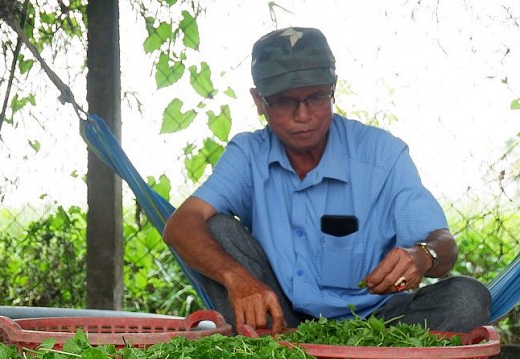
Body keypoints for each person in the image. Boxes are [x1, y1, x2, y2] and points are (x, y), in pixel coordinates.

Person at [163, 26, 491, 334]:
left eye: (317, 97)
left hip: (379, 326)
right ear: (259, 101)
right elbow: (181, 225)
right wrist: (237, 278)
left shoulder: (381, 153)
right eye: (286, 101)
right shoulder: (249, 154)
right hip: (280, 321)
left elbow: (443, 243)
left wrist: (423, 256)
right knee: (218, 230)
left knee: (467, 298)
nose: (303, 114)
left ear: (332, 90)